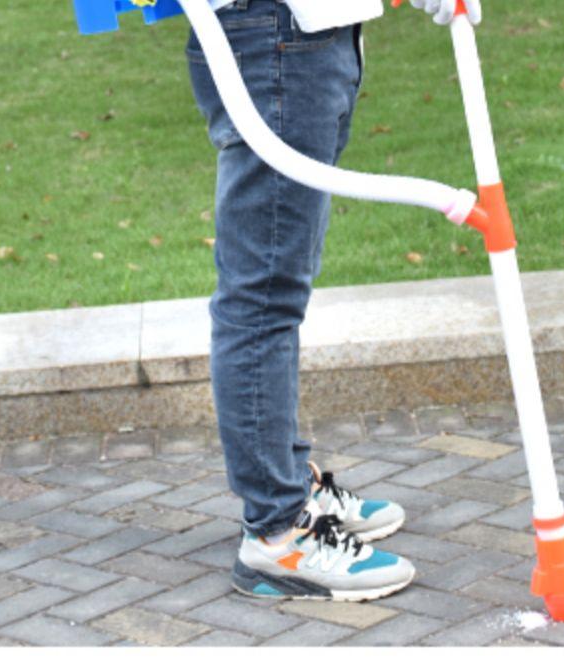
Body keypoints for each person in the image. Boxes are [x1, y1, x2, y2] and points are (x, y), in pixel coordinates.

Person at [185, 0, 483, 601]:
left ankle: (287, 489)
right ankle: (277, 535)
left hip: (305, 34)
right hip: (276, 34)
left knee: (278, 289)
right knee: (264, 296)